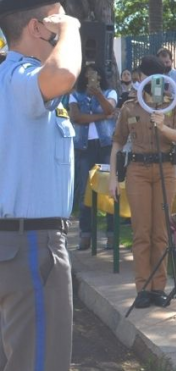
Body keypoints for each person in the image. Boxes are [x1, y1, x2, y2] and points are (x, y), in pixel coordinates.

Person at [0, 0, 81, 371]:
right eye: (56, 20)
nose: (64, 26)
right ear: (37, 27)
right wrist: (72, 29)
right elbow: (63, 75)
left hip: (14, 245)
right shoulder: (22, 79)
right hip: (31, 247)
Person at [109, 55, 176, 309]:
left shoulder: (173, 104)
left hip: (165, 169)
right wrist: (112, 175)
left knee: (161, 232)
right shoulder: (130, 107)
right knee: (141, 230)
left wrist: (163, 127)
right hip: (138, 170)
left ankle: (158, 288)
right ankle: (143, 287)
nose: (144, 81)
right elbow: (118, 141)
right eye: (142, 76)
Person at [70, 61, 118, 249]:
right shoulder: (76, 94)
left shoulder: (110, 92)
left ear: (100, 76)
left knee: (110, 190)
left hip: (105, 146)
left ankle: (112, 235)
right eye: (87, 74)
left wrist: (98, 94)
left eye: (94, 74)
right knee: (85, 191)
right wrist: (102, 117)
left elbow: (110, 109)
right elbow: (77, 117)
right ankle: (85, 234)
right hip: (84, 147)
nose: (91, 77)